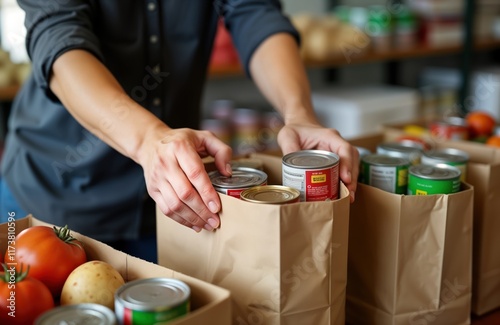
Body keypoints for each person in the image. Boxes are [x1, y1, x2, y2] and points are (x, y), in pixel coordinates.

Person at [0, 1, 359, 263]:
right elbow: (57, 34)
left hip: (174, 206)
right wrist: (147, 141)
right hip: (51, 196)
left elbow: (254, 11)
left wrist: (299, 114)